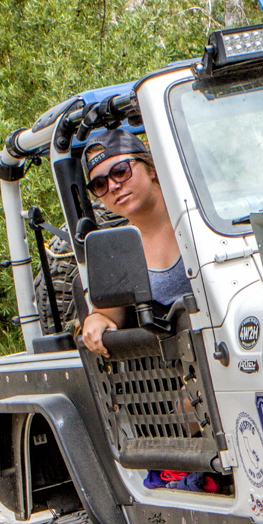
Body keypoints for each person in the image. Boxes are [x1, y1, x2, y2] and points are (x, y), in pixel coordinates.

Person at [76, 124, 191, 357]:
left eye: (121, 171)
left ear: (150, 168)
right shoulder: (118, 251)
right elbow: (106, 315)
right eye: (100, 184)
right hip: (174, 375)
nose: (113, 186)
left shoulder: (200, 220)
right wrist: (95, 321)